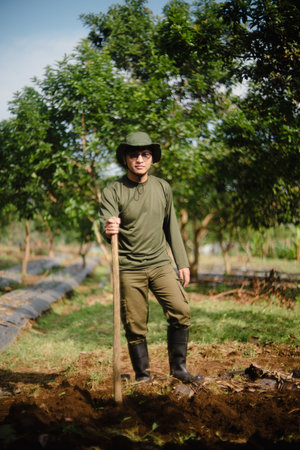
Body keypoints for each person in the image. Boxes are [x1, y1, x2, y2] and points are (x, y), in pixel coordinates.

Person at [99, 131, 202, 383]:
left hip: (160, 264)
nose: (140, 159)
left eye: (145, 154)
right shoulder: (113, 190)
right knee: (134, 324)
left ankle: (179, 369)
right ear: (126, 158)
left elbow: (172, 227)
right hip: (129, 268)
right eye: (134, 154)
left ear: (152, 159)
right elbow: (107, 222)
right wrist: (109, 227)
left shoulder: (162, 188)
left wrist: (182, 262)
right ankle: (143, 376)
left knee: (181, 310)